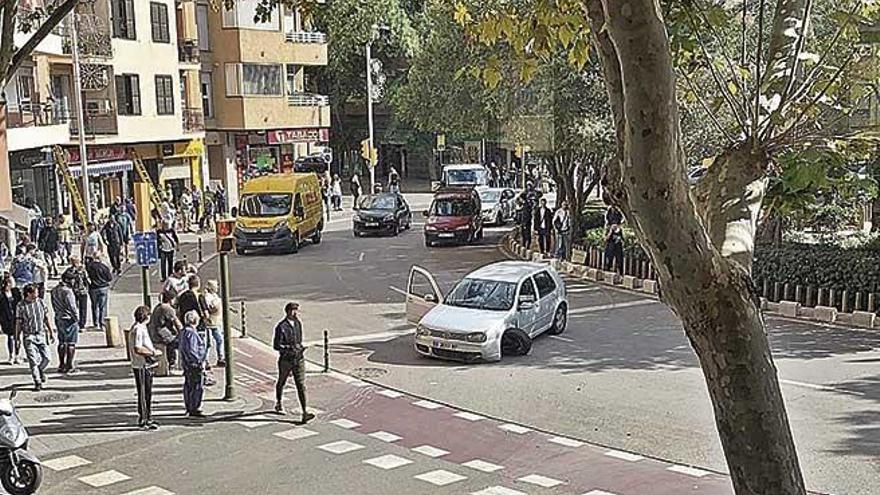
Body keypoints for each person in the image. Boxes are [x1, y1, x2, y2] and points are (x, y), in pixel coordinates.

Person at [273, 302, 314, 423]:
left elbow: (299, 340)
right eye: (293, 310)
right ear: (287, 312)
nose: (295, 313)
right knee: (282, 381)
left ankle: (304, 411)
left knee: (301, 384)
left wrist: (300, 347)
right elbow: (276, 345)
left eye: (296, 310)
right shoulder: (281, 327)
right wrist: (289, 348)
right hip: (286, 360)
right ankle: (279, 402)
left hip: (299, 358)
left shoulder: (298, 324)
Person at [16, 284, 54, 391]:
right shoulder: (21, 306)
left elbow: (46, 318)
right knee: (33, 360)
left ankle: (40, 370)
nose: (37, 294)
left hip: (41, 333)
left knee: (47, 358)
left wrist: (50, 332)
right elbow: (18, 323)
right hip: (29, 336)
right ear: (28, 293)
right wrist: (17, 338)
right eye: (35, 292)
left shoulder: (41, 302)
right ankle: (37, 381)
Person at [130, 305, 161, 430]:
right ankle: (143, 419)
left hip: (145, 365)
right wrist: (153, 353)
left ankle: (147, 416)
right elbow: (138, 348)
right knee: (143, 393)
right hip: (141, 365)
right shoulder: (138, 329)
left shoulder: (140, 328)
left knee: (147, 392)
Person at [178, 310, 207, 418]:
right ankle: (194, 407)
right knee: (196, 386)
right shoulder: (191, 333)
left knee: (189, 385)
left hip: (187, 364)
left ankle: (190, 406)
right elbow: (192, 350)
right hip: (193, 365)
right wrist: (199, 362)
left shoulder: (184, 331)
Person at [50, 274, 79, 374]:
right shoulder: (67, 291)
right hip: (69, 318)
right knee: (71, 343)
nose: (73, 282)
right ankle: (69, 365)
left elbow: (53, 304)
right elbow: (72, 306)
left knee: (61, 341)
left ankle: (61, 364)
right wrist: (76, 318)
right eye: (72, 280)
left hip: (59, 317)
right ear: (67, 280)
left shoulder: (54, 290)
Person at [149, 291, 182, 369]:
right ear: (171, 300)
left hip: (153, 332)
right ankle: (172, 362)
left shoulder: (158, 306)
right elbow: (177, 323)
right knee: (177, 342)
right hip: (160, 334)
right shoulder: (168, 308)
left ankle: (171, 360)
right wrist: (182, 332)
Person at [63, 256, 90, 330]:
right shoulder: (83, 270)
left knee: (72, 307)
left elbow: (64, 278)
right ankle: (82, 324)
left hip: (73, 291)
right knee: (83, 308)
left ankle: (74, 322)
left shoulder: (69, 270)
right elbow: (87, 280)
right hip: (82, 291)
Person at [202, 280, 225, 367]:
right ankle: (206, 360)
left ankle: (220, 357)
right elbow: (210, 307)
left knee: (220, 340)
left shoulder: (215, 295)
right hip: (209, 322)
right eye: (216, 286)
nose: (218, 287)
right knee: (208, 343)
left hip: (216, 322)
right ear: (211, 287)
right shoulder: (207, 296)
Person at [85, 256, 112, 329]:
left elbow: (86, 277)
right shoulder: (104, 267)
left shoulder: (89, 267)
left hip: (93, 288)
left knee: (94, 306)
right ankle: (102, 323)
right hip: (103, 287)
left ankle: (96, 323)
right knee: (103, 306)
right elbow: (109, 278)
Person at [0, 274, 21, 364]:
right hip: (6, 318)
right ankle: (11, 355)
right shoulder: (1, 294)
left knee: (17, 337)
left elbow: (20, 303)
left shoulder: (16, 292)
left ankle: (17, 355)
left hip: (17, 317)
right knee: (10, 336)